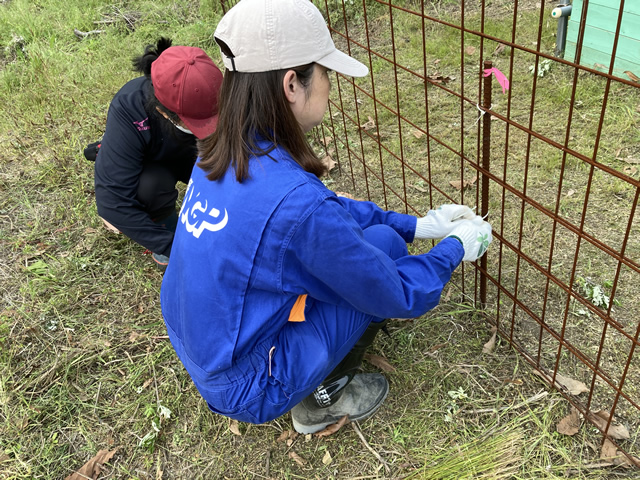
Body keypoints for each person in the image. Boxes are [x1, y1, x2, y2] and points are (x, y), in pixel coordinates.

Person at [160, 0, 492, 434]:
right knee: (384, 261)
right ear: (292, 84)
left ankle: (311, 367)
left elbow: (323, 215)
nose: (330, 86)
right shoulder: (294, 202)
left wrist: (419, 225)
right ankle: (320, 399)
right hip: (247, 382)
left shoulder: (221, 150)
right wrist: (454, 247)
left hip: (204, 343)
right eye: (326, 73)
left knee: (387, 241)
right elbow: (396, 294)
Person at [86, 38, 223, 270]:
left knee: (224, 171)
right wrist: (179, 251)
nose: (208, 127)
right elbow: (112, 202)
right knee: (149, 188)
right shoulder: (129, 109)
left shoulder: (222, 91)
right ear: (162, 110)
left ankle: (110, 151)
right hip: (155, 159)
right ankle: (166, 227)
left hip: (193, 153)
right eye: (195, 122)